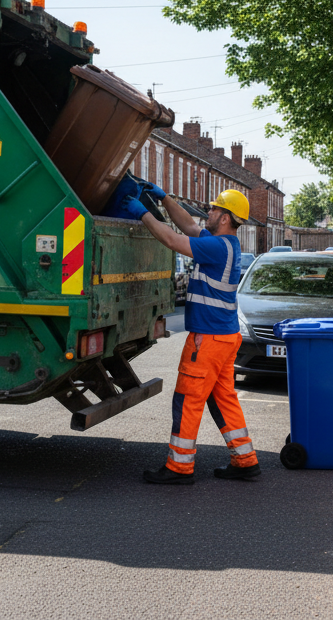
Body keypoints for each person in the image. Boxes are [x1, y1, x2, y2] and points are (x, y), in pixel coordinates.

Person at [123, 185, 261, 485]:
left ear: (225, 218)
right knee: (224, 399)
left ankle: (179, 467)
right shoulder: (224, 244)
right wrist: (163, 198)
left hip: (208, 340)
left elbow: (172, 239)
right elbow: (186, 224)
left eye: (214, 209)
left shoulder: (216, 247)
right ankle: (245, 460)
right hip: (224, 337)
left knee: (187, 400)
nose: (207, 213)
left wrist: (141, 211)